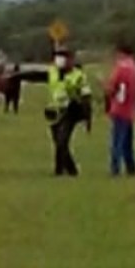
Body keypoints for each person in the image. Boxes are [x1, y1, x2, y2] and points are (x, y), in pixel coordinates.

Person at [44, 48, 92, 176]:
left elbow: (86, 96)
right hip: (54, 110)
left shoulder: (78, 75)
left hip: (70, 111)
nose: (60, 61)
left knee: (62, 140)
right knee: (58, 141)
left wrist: (88, 117)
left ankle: (69, 170)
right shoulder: (53, 71)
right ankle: (61, 169)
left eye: (64, 58)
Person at [105, 40, 135, 176]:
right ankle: (131, 167)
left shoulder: (120, 68)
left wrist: (105, 87)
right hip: (131, 108)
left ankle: (115, 168)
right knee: (128, 142)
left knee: (117, 141)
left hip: (120, 107)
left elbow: (111, 88)